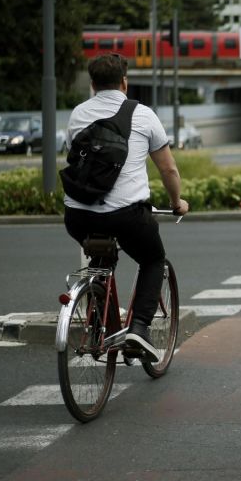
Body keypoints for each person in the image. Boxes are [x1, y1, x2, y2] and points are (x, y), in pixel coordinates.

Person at [63, 53, 189, 361]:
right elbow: (169, 170)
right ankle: (138, 329)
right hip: (125, 216)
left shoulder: (78, 113)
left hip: (78, 215)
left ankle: (100, 324)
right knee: (152, 258)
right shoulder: (143, 114)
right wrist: (177, 203)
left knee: (102, 259)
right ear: (125, 81)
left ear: (92, 84)